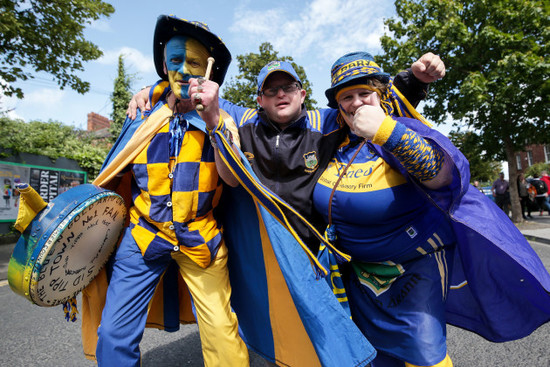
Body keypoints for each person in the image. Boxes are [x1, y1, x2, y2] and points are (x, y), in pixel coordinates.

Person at [312, 51, 550, 367]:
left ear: (380, 96)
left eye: (364, 94)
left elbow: (441, 176)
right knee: (376, 356)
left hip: (415, 267)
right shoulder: (333, 143)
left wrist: (386, 131)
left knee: (424, 355)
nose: (356, 103)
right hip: (360, 276)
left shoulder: (399, 129)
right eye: (347, 97)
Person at [128, 53, 446, 253]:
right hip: (259, 245)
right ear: (260, 99)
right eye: (271, 89)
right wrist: (155, 89)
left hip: (313, 244)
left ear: (302, 94)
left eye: (289, 87)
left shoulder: (328, 121)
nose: (281, 94)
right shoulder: (243, 119)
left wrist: (415, 80)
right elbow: (194, 92)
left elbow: (368, 103)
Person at [88, 15, 248, 366]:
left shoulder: (226, 116)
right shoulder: (145, 112)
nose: (184, 71)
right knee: (113, 334)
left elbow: (234, 180)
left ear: (208, 70)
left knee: (223, 335)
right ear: (164, 64)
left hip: (201, 239)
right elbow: (116, 171)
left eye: (193, 62)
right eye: (175, 61)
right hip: (143, 235)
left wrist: (214, 120)